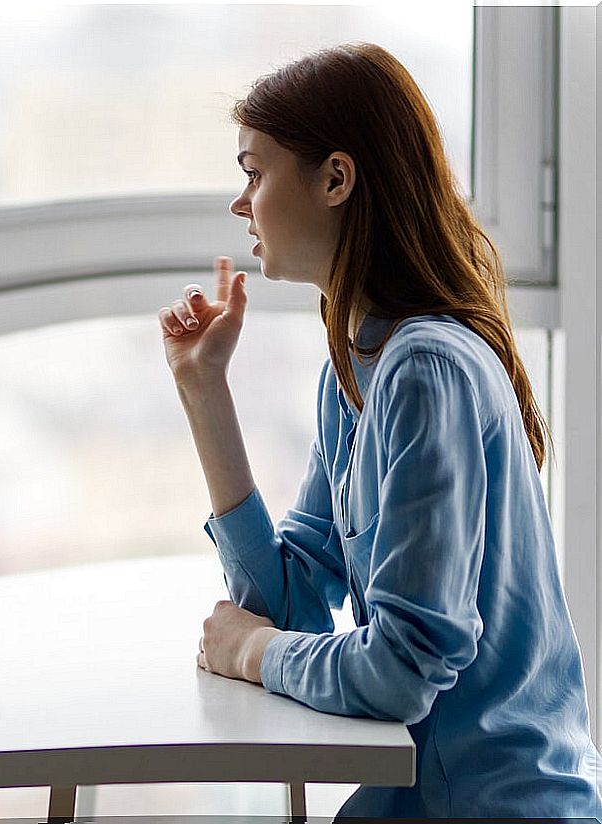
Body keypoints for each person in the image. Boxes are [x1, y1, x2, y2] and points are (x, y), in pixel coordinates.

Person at [160, 43, 601, 819]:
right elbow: (292, 602)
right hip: (417, 799)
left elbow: (398, 668)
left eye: (254, 172)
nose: (241, 203)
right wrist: (205, 394)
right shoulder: (354, 373)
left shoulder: (427, 370)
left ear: (335, 178)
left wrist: (250, 652)